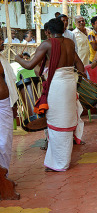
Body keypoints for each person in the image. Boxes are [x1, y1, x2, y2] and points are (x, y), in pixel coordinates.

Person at [15, 18, 84, 171]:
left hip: (57, 85)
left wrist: (18, 59)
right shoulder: (70, 43)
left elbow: (29, 65)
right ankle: (60, 160)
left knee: (56, 122)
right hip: (69, 83)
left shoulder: (47, 44)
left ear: (47, 32)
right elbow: (80, 66)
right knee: (65, 121)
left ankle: (60, 163)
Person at [0, 35, 18, 173]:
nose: (2, 42)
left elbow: (11, 82)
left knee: (5, 142)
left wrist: (14, 104)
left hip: (5, 104)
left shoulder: (3, 59)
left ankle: (3, 175)